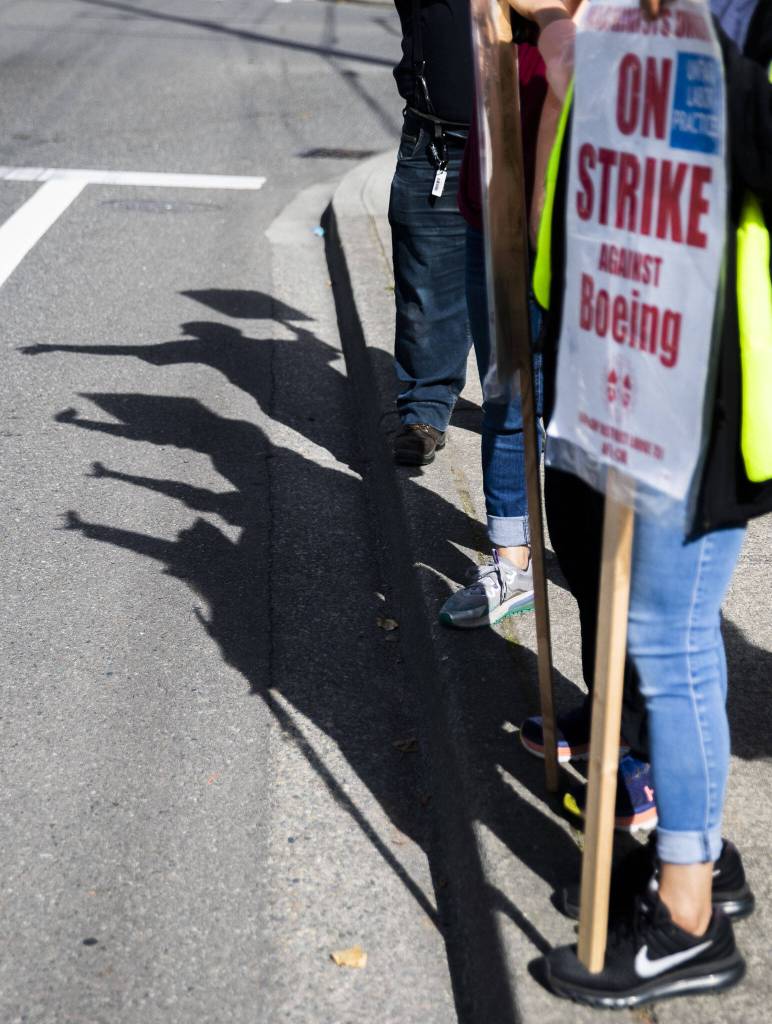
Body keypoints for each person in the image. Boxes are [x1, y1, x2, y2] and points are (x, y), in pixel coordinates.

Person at [506, 0, 772, 1007]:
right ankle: (697, 862)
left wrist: (682, 64)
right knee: (660, 630)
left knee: (670, 638)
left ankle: (688, 919)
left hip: (712, 388)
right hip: (640, 359)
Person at [437, 41, 548, 627]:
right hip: (492, 212)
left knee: (568, 411)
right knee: (507, 397)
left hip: (570, 223)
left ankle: (594, 567)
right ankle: (512, 559)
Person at [389, 0, 474, 466]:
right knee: (424, 280)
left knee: (525, 295)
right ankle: (424, 411)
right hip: (437, 139)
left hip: (525, 138)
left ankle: (530, 409)